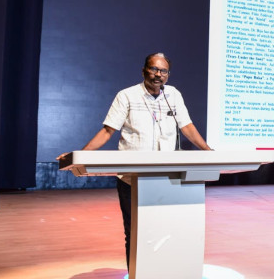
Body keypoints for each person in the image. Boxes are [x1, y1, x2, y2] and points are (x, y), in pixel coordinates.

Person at [73, 53, 212, 267]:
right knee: (135, 232)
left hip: (167, 178)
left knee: (164, 231)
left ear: (168, 74)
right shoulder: (127, 96)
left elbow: (187, 127)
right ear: (144, 71)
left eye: (163, 71)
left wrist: (209, 151)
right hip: (132, 179)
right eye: (154, 69)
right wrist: (80, 156)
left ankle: (161, 271)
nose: (158, 74)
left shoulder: (173, 95)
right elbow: (108, 130)